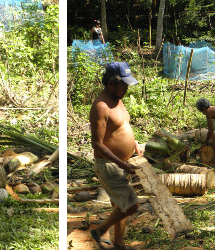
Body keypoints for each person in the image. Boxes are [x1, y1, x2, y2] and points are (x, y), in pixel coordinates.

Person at [88, 62, 141, 250]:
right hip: (109, 165)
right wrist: (121, 163)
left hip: (122, 163)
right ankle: (100, 229)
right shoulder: (101, 107)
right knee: (132, 205)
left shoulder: (118, 99)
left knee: (120, 206)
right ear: (111, 83)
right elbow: (97, 144)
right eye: (123, 84)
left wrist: (134, 144)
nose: (126, 88)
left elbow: (122, 125)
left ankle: (119, 244)